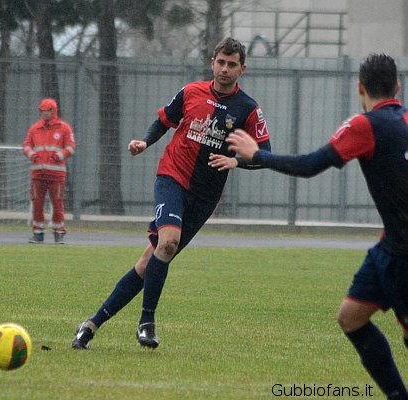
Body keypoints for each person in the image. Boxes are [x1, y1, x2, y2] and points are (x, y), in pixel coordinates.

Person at [223, 53, 408, 400]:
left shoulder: (365, 125)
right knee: (351, 317)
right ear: (398, 86)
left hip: (404, 253)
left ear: (360, 88)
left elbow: (310, 165)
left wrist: (256, 154)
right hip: (390, 246)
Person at [72, 37, 271, 349]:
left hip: (204, 197)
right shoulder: (191, 92)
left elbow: (265, 156)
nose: (225, 69)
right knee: (168, 242)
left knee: (150, 260)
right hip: (172, 177)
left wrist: (236, 160)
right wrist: (145, 142)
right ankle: (146, 323)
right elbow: (164, 121)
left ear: (242, 69)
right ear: (212, 62)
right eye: (221, 62)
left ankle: (91, 324)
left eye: (232, 64)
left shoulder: (248, 109)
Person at [22, 98, 76, 244]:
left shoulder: (64, 128)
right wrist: (32, 155)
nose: (44, 113)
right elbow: (26, 145)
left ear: (53, 111)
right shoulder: (35, 128)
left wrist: (58, 156)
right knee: (37, 204)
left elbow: (71, 147)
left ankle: (59, 233)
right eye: (42, 111)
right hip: (37, 174)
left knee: (57, 204)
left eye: (47, 110)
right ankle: (38, 233)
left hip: (56, 174)